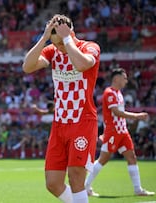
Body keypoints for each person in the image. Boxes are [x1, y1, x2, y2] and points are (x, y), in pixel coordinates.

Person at [22, 14, 101, 203]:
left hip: (83, 120)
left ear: (70, 33)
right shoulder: (52, 50)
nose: (58, 48)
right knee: (53, 183)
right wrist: (44, 38)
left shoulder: (89, 47)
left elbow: (82, 64)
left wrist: (67, 40)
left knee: (75, 177)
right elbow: (27, 67)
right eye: (55, 43)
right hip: (60, 124)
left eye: (61, 43)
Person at [85, 68, 155, 197]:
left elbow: (119, 113)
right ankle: (85, 186)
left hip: (122, 131)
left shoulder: (118, 93)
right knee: (103, 159)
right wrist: (137, 116)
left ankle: (138, 189)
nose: (126, 81)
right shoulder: (109, 93)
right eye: (124, 78)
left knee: (132, 157)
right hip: (113, 132)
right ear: (116, 79)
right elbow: (116, 112)